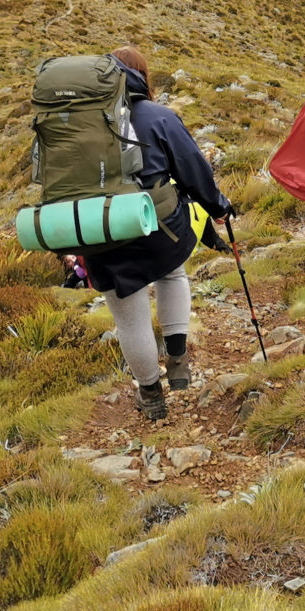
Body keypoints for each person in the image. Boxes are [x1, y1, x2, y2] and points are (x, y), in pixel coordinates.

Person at [78, 46, 233, 420]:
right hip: (158, 231)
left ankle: (150, 395)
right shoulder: (159, 116)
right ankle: (177, 361)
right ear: (141, 78)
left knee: (128, 317)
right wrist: (218, 207)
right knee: (172, 273)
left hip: (100, 233)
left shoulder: (76, 124)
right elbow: (193, 170)